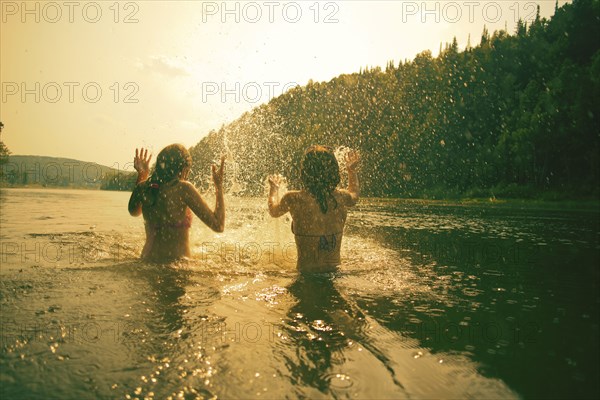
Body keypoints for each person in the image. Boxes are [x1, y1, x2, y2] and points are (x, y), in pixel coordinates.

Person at [268, 145, 360, 272]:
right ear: (334, 171)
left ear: (305, 172)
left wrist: (274, 189)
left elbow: (273, 211)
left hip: (305, 274)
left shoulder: (294, 199)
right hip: (335, 273)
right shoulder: (341, 197)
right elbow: (354, 195)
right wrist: (351, 171)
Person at [128, 144, 225, 261]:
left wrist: (142, 175)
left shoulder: (143, 187)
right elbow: (218, 225)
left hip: (147, 260)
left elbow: (134, 212)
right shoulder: (183, 189)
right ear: (184, 168)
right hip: (177, 265)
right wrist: (218, 186)